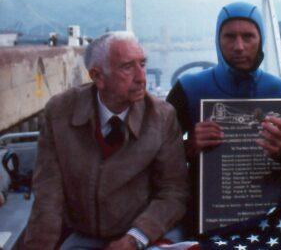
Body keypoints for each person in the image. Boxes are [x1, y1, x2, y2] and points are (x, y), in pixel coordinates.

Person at [22, 31, 189, 250]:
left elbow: (173, 192)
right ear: (97, 76)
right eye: (127, 67)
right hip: (84, 234)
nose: (142, 78)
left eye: (143, 64)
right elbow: (48, 193)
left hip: (144, 233)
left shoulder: (161, 117)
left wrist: (135, 238)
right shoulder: (60, 112)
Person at [167, 1, 281, 231]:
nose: (239, 46)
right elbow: (156, 158)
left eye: (248, 36)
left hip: (272, 219)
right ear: (218, 40)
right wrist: (188, 147)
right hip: (206, 217)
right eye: (230, 36)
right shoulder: (188, 89)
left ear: (261, 40)